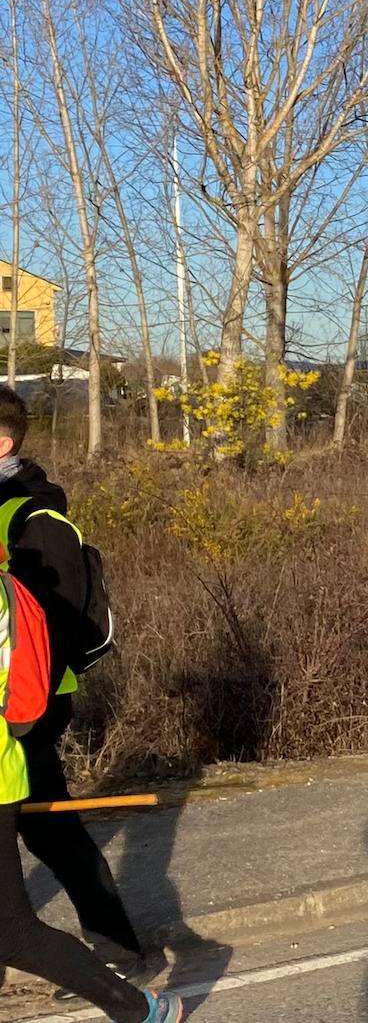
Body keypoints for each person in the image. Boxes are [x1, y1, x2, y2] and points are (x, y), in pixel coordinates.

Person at [0, 409, 181, 1023]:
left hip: (29, 705)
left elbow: (57, 623)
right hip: (13, 706)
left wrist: (27, 711)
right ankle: (112, 952)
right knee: (41, 826)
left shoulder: (36, 516)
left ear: (3, 441)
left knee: (47, 827)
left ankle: (118, 953)